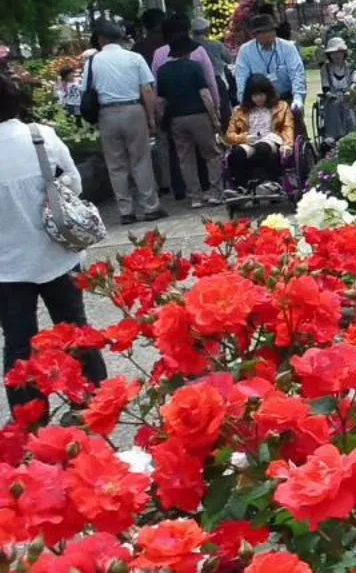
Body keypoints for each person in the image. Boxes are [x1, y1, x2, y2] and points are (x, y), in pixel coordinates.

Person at [0, 66, 107, 408]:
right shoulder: (40, 135)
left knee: (18, 342)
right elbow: (73, 184)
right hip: (58, 252)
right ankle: (92, 398)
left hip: (7, 267)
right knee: (74, 327)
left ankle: (28, 412)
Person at [84, 21, 163, 225]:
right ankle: (150, 206)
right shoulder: (134, 58)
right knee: (141, 160)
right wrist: (151, 117)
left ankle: (125, 211)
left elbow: (87, 90)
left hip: (107, 113)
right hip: (133, 109)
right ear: (120, 38)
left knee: (116, 165)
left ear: (100, 39)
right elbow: (147, 89)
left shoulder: (93, 62)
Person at [157, 33, 223, 208]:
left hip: (176, 120)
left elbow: (161, 101)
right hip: (199, 116)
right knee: (212, 155)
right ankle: (216, 192)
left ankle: (195, 196)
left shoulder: (162, 71)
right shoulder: (194, 67)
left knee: (185, 159)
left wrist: (159, 120)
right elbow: (205, 94)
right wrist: (214, 118)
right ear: (187, 52)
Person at [223, 74, 297, 195]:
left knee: (262, 147)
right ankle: (241, 186)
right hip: (250, 139)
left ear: (268, 93)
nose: (258, 98)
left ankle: (271, 182)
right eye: (255, 95)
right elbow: (229, 135)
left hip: (272, 137)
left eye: (261, 94)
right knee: (237, 152)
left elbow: (287, 127)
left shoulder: (281, 106)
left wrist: (288, 144)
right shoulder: (240, 110)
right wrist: (244, 138)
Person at [234, 14, 307, 107]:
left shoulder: (288, 47)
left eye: (271, 31)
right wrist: (244, 102)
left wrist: (298, 98)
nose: (269, 34)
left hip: (286, 98)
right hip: (259, 102)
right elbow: (241, 78)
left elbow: (297, 73)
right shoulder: (245, 51)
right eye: (264, 32)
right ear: (255, 35)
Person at [317, 37, 356, 147]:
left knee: (349, 105)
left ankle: (352, 133)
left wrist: (350, 91)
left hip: (349, 95)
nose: (337, 55)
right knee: (334, 104)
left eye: (339, 52)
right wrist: (330, 94)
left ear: (344, 53)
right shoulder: (325, 68)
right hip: (332, 96)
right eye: (333, 53)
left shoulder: (351, 65)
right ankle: (333, 136)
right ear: (329, 54)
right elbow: (325, 86)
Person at [190, 15, 237, 112]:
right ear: (206, 30)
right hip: (217, 80)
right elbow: (229, 59)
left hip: (195, 84)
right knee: (223, 111)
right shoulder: (215, 44)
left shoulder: (189, 47)